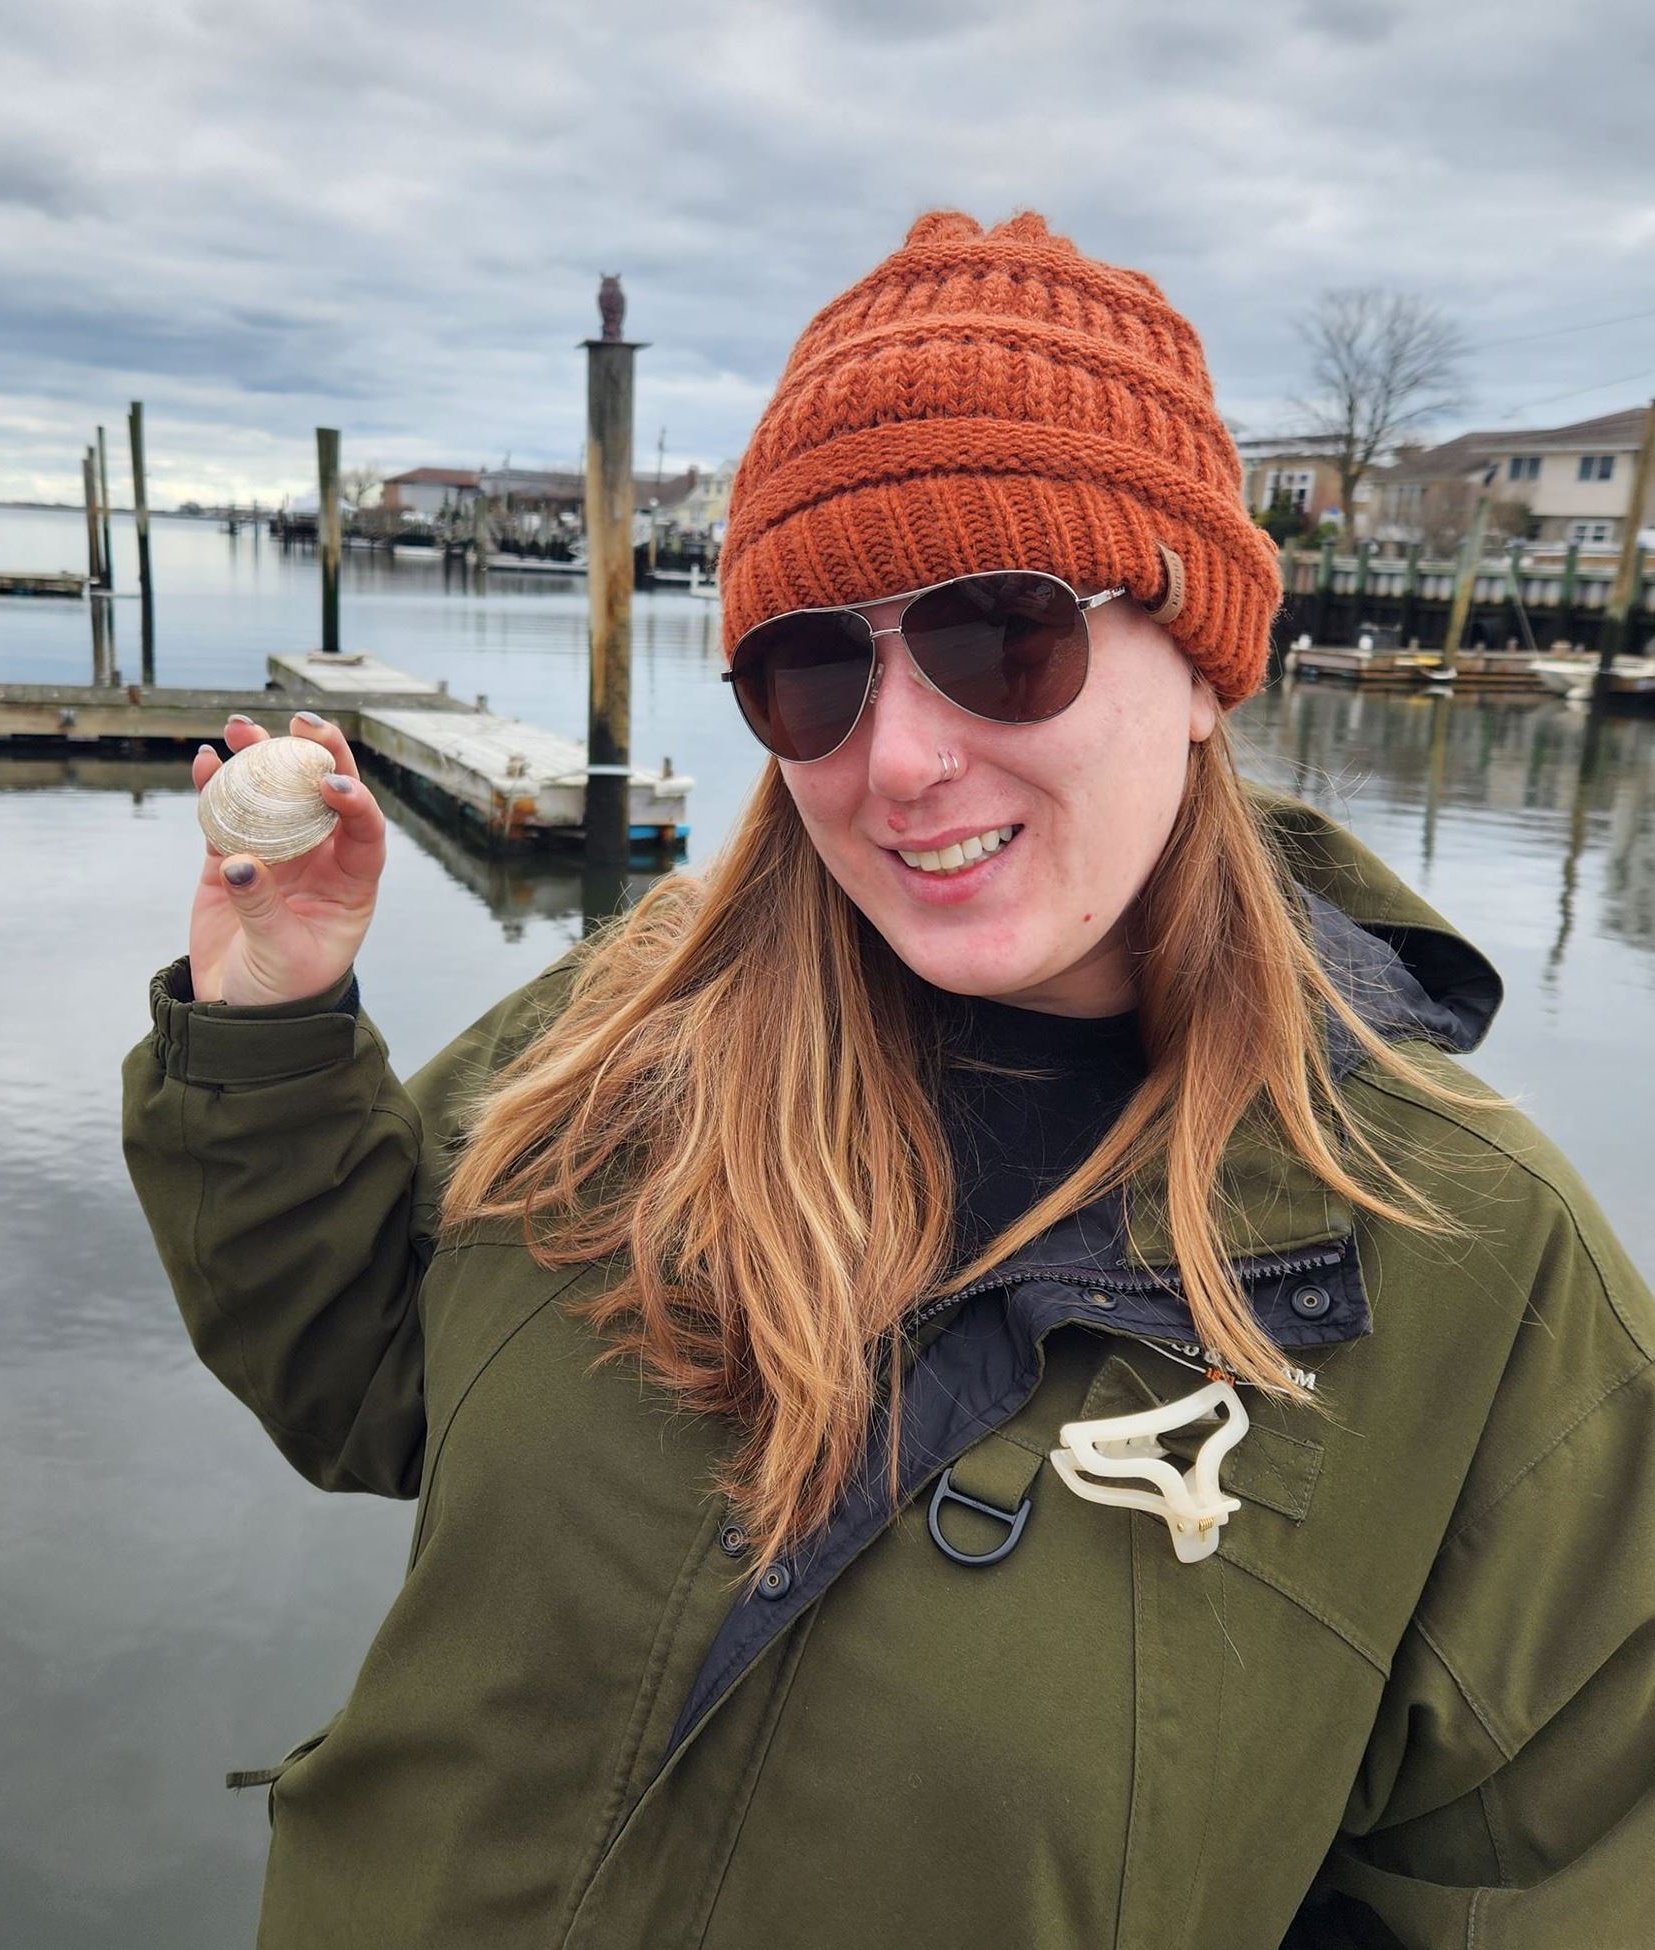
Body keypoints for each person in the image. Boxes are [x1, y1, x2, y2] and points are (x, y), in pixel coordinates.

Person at [123, 212, 1654, 1949]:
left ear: (1201, 662)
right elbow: (358, 1379)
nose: (904, 757)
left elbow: (1567, 1879)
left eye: (1003, 636)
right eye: (815, 671)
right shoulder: (628, 1033)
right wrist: (267, 1025)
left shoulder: (1472, 1264)